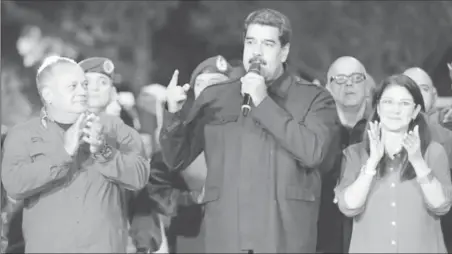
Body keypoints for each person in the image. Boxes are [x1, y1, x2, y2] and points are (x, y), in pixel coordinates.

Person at [160, 8, 340, 253]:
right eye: (251, 42)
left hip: (283, 237)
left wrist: (263, 102)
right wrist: (173, 112)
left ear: (284, 51)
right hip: (227, 235)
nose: (257, 52)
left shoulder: (315, 98)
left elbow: (313, 152)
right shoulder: (216, 97)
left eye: (267, 44)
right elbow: (176, 158)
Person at [1, 56, 150, 253]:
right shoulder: (24, 135)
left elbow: (140, 177)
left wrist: (103, 149)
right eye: (74, 86)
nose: (84, 91)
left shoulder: (116, 129)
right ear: (48, 94)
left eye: (83, 85)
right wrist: (64, 153)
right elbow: (14, 185)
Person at [335, 73, 452, 253]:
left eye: (404, 103)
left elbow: (441, 205)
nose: (395, 110)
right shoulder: (355, 153)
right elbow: (349, 206)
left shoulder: (434, 152)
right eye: (388, 102)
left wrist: (418, 162)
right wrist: (372, 162)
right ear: (378, 108)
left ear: (415, 111)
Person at [318, 56, 372, 253]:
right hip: (323, 236)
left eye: (356, 78)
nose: (348, 84)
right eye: (339, 79)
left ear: (367, 86)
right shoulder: (317, 131)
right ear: (327, 87)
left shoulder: (381, 130)